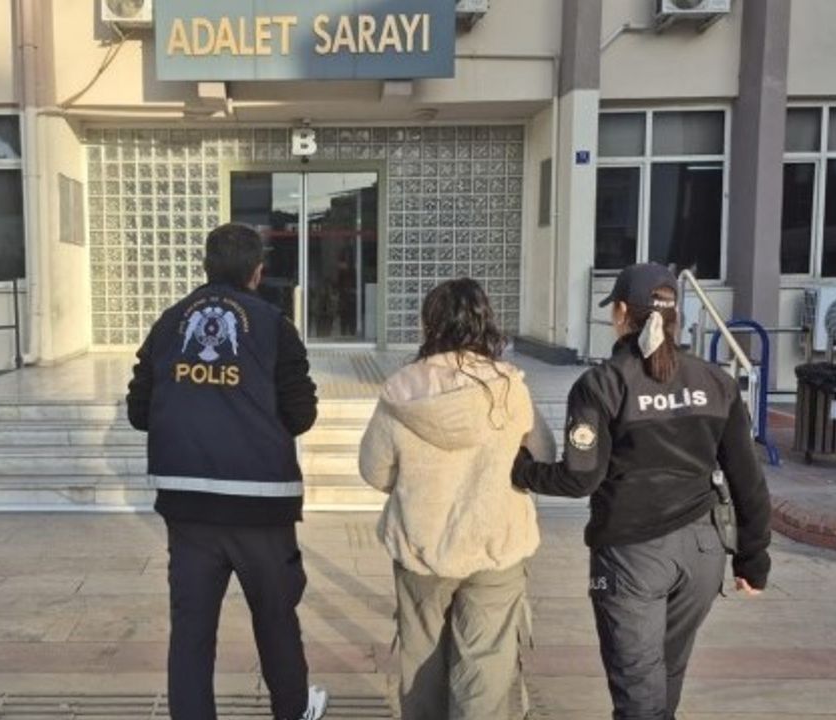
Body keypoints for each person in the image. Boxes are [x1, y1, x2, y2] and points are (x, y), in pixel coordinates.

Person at [512, 263, 772, 720]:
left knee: (639, 696)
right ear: (676, 316)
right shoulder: (716, 382)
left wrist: (523, 470)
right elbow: (747, 478)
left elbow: (580, 478)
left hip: (632, 558)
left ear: (620, 313)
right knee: (663, 683)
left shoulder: (602, 384)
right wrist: (753, 559)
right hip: (703, 553)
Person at [126, 223, 328, 720]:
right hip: (262, 506)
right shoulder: (274, 325)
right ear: (258, 271)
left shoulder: (169, 323)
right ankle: (294, 710)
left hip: (188, 506)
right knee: (275, 618)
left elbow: (138, 411)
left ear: (205, 267)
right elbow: (301, 414)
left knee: (191, 630)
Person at [358, 278, 555, 720]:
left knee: (422, 664)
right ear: (486, 322)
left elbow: (374, 470)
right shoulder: (510, 387)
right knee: (485, 670)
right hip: (496, 549)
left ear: (429, 324)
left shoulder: (400, 391)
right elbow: (544, 457)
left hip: (421, 549)